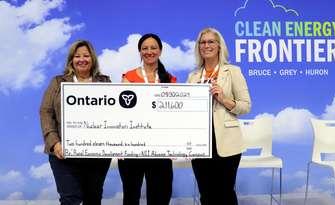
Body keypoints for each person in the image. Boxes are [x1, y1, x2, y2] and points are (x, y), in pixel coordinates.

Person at [40, 40, 112, 205]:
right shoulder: (58, 82)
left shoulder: (105, 82)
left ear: (92, 58)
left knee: (93, 199)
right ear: (71, 59)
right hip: (63, 154)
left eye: (86, 55)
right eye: (77, 56)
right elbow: (46, 112)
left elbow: (114, 115)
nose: (82, 59)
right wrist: (54, 143)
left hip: (96, 156)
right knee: (69, 199)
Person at [187, 28, 251, 205]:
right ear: (198, 47)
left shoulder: (232, 72)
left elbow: (245, 106)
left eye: (210, 42)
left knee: (225, 193)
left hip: (226, 142)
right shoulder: (193, 76)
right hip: (201, 144)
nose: (206, 45)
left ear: (219, 46)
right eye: (203, 42)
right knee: (205, 194)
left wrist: (223, 99)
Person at [118, 33, 176, 205]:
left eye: (153, 48)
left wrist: (176, 144)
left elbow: (174, 117)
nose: (149, 51)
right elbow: (122, 114)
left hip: (160, 148)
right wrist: (119, 143)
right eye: (145, 48)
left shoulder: (170, 80)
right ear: (140, 52)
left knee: (160, 197)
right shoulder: (128, 78)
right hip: (133, 147)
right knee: (131, 197)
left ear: (160, 51)